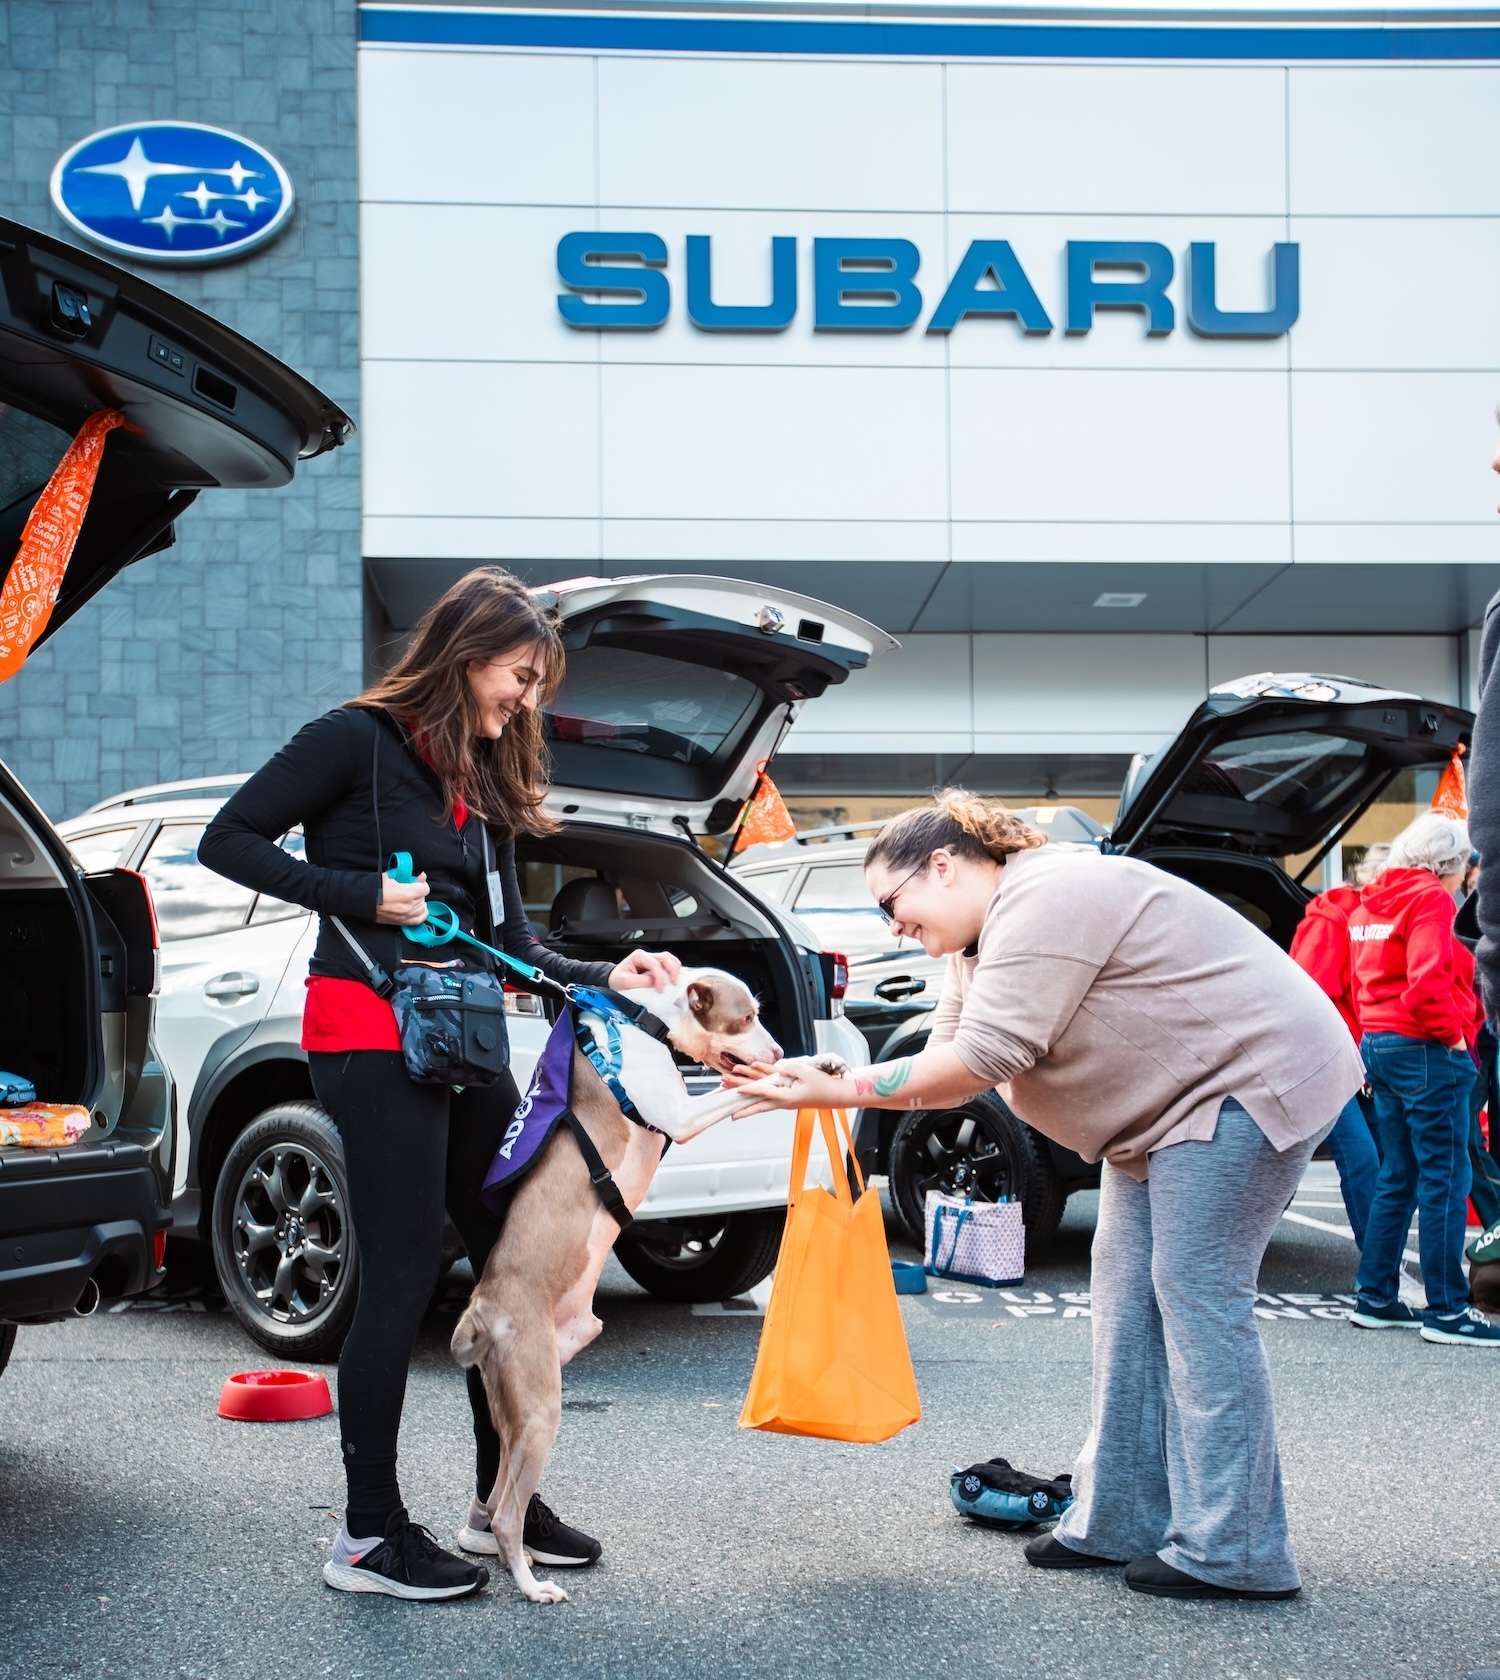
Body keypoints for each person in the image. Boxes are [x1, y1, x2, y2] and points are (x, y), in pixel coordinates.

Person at [733, 789, 1363, 1600]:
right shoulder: (977, 940)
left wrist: (841, 1089)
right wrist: (823, 1076)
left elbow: (983, 1059)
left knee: (1197, 1298)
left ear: (944, 865)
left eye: (893, 903)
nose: (893, 925)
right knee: (1127, 1298)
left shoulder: (1049, 894)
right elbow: (944, 1055)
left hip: (1245, 1089)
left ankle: (1236, 1550)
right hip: (1164, 1117)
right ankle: (1120, 1520)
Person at [199, 567, 682, 1601]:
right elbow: (226, 839)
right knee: (409, 1263)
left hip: (463, 1040)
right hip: (366, 1027)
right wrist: (358, 893)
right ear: (465, 654)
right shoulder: (352, 741)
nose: (527, 701)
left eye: (537, 685)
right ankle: (367, 1537)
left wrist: (607, 975)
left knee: (512, 1260)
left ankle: (495, 1502)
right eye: (519, 676)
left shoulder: (487, 778)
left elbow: (508, 941)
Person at [1347, 812, 1497, 1344]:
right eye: (1464, 866)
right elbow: (1428, 981)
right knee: (1446, 1179)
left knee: (1400, 1174)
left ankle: (1376, 1297)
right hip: (1427, 1046)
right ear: (1448, 863)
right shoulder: (1431, 899)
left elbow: (1366, 978)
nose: (1466, 877)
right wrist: (1456, 1037)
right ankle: (1448, 1311)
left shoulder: (1372, 898)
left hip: (1380, 1045)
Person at [1288, 882, 1380, 1243]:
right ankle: (1378, 1273)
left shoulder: (1367, 920)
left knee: (1383, 1161)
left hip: (1357, 1060)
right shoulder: (1331, 922)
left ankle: (1381, 1270)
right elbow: (1308, 1000)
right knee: (1363, 1159)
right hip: (1325, 1061)